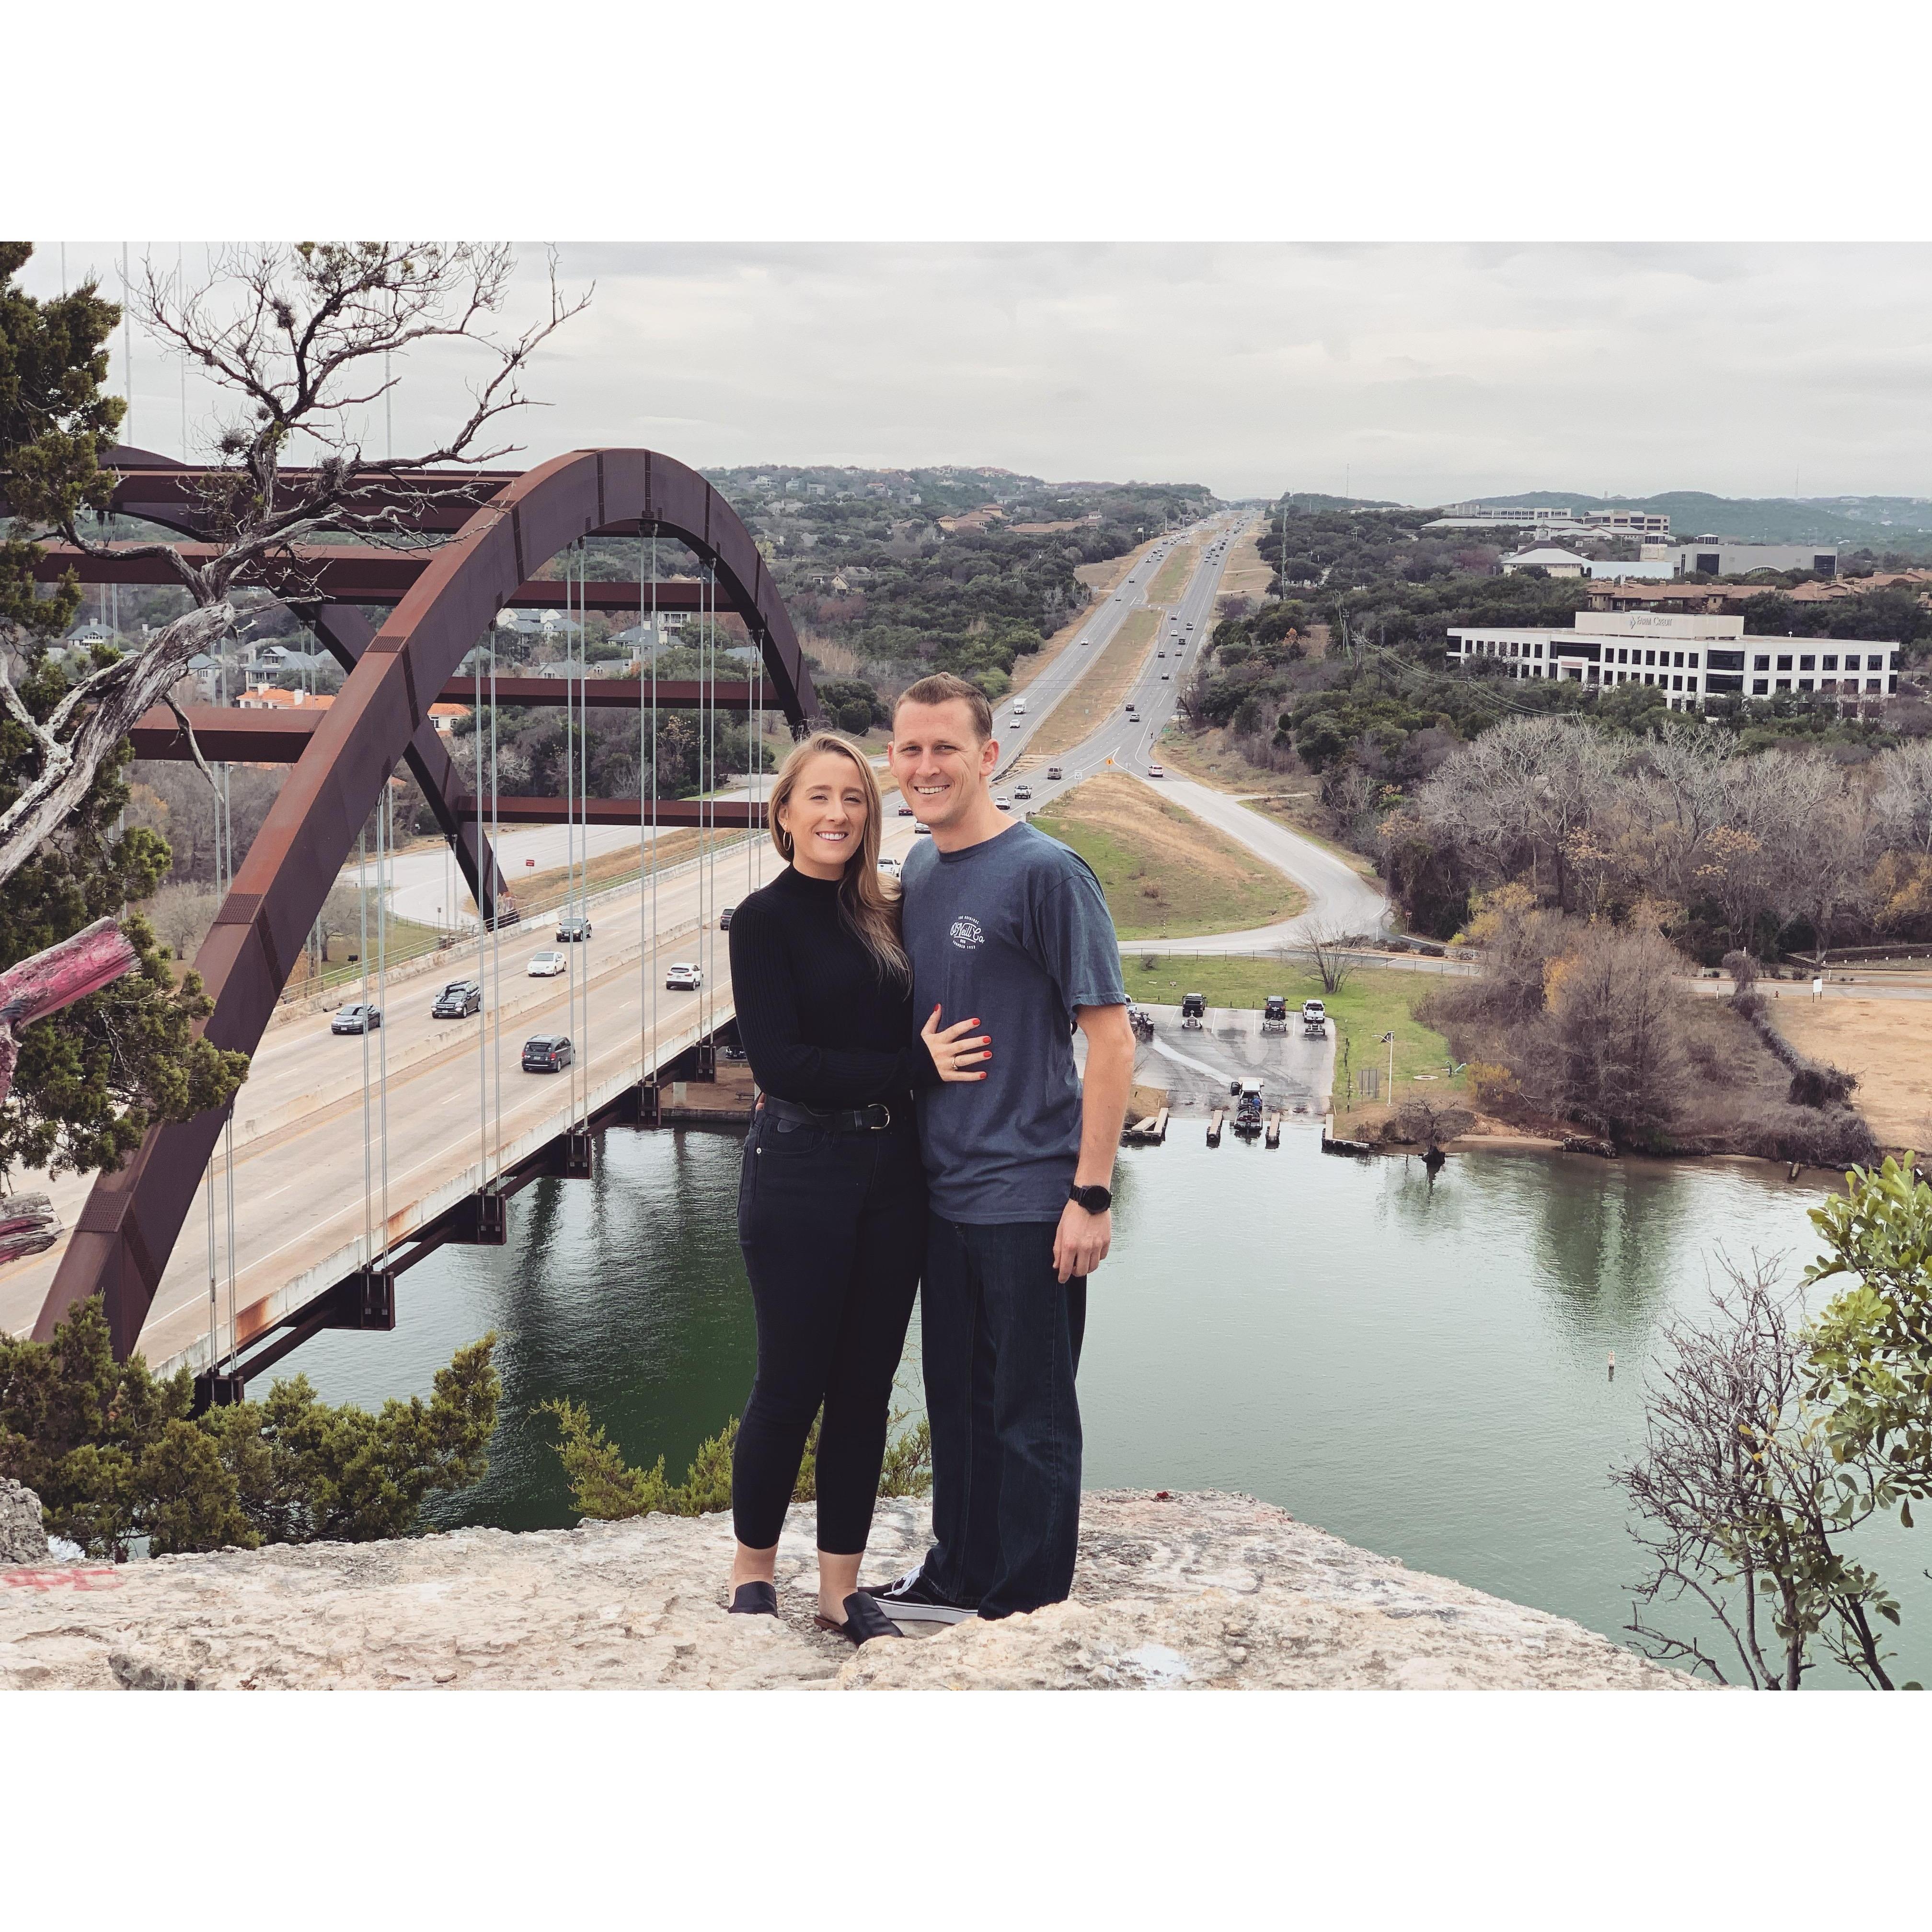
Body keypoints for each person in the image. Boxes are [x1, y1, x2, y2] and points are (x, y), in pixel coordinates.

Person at [871, 674, 1134, 1622]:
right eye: (910, 749)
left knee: (1030, 1420)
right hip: (945, 1203)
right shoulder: (926, 870)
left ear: (988, 757)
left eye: (946, 748)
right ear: (893, 761)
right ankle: (957, 1574)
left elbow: (1112, 1040)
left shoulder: (1047, 873)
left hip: (1032, 1203)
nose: (927, 767)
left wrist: (1092, 1196)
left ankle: (1024, 1612)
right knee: (962, 1414)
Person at [724, 730, 991, 1644]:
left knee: (866, 1391)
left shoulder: (889, 910)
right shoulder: (763, 921)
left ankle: (840, 1592)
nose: (838, 814)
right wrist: (911, 1068)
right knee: (789, 1384)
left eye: (853, 799)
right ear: (786, 813)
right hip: (799, 1170)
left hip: (892, 1181)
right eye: (819, 798)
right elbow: (784, 1063)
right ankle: (751, 1570)